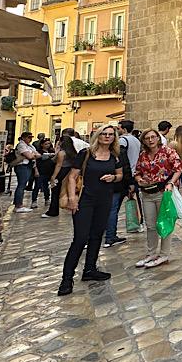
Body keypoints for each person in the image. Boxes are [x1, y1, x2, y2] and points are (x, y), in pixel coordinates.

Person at [57, 125, 124, 296]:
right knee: (80, 239)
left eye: (111, 134)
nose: (107, 137)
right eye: (104, 134)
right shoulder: (86, 154)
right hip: (85, 200)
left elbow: (120, 175)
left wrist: (113, 177)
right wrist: (72, 198)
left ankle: (90, 269)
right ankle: (67, 278)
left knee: (96, 236)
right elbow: (72, 177)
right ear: (98, 136)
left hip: (104, 200)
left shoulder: (115, 156)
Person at [132, 129, 182, 268]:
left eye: (153, 137)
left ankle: (164, 254)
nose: (150, 140)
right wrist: (139, 179)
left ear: (158, 138)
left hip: (162, 192)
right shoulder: (143, 155)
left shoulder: (168, 152)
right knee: (150, 225)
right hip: (147, 193)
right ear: (143, 140)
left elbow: (178, 168)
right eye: (147, 138)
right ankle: (151, 253)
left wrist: (171, 183)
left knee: (164, 223)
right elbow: (137, 172)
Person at [105, 120, 141, 247]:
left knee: (111, 209)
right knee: (116, 207)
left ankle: (108, 235)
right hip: (129, 176)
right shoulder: (136, 140)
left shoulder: (122, 144)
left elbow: (124, 165)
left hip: (122, 178)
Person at [11, 132, 39, 213]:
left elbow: (38, 155)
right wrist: (32, 154)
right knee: (21, 185)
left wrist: (32, 155)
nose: (30, 139)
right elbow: (30, 156)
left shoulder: (30, 146)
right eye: (28, 137)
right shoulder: (21, 145)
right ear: (23, 137)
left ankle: (18, 203)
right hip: (22, 166)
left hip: (28, 166)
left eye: (31, 137)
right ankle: (18, 205)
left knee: (22, 185)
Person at [32, 139, 56, 208]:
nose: (47, 145)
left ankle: (47, 199)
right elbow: (35, 161)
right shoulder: (38, 152)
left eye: (49, 143)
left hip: (49, 171)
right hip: (40, 171)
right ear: (42, 144)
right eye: (46, 144)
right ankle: (34, 200)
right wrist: (36, 170)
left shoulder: (52, 151)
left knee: (46, 186)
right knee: (37, 186)